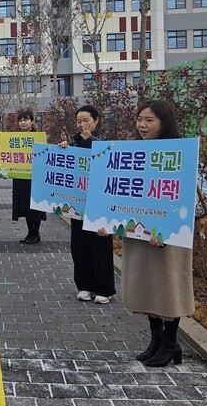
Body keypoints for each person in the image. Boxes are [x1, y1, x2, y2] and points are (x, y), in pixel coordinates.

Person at [120, 99, 195, 367]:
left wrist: (165, 230)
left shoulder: (178, 154)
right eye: (139, 119)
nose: (142, 125)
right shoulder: (133, 153)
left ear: (164, 122)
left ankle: (171, 343)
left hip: (167, 235)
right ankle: (156, 340)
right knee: (147, 284)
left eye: (149, 120)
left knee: (168, 285)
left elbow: (181, 197)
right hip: (140, 232)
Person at [59, 105, 116, 304]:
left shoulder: (104, 144)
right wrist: (63, 149)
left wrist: (88, 139)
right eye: (79, 121)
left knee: (100, 245)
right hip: (78, 204)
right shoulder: (73, 143)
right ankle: (84, 286)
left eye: (86, 120)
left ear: (96, 121)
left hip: (100, 203)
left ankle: (104, 289)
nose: (82, 124)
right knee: (80, 246)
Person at [11, 109, 46, 244]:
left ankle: (35, 234)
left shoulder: (38, 138)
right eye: (20, 120)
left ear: (32, 121)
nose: (23, 122)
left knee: (34, 207)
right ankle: (30, 233)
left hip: (35, 178)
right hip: (21, 177)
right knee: (25, 206)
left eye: (26, 120)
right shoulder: (16, 139)